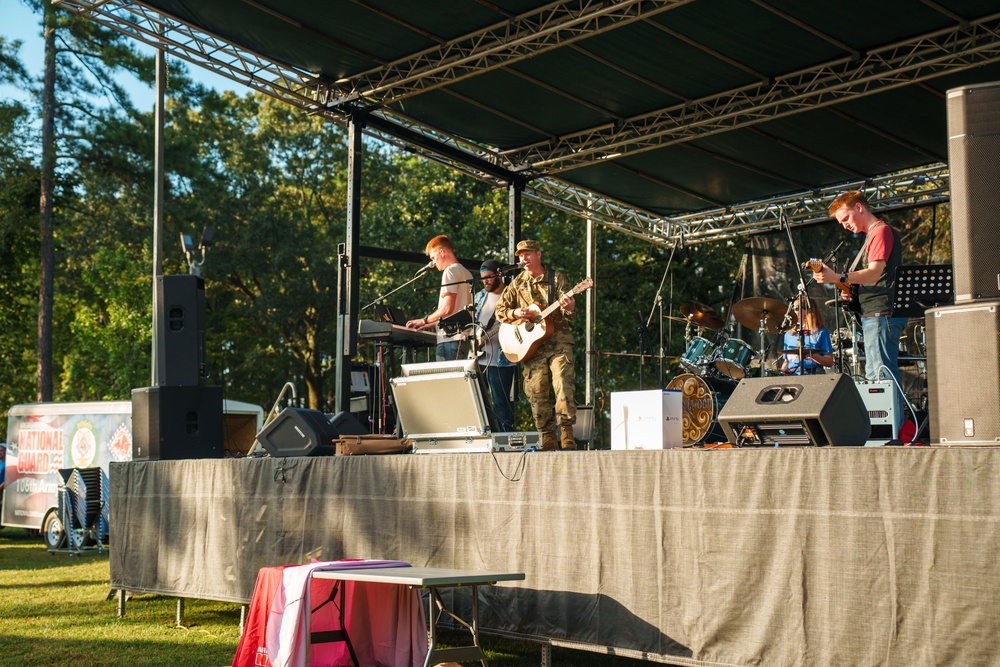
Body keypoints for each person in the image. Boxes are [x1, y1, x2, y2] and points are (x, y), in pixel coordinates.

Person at [813, 191, 907, 387]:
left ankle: (892, 418)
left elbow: (874, 272)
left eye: (846, 218)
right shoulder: (872, 236)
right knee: (875, 375)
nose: (845, 225)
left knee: (881, 376)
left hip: (881, 313)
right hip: (874, 314)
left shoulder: (880, 232)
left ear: (859, 207)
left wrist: (838, 277)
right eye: (841, 223)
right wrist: (851, 290)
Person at [495, 240, 577, 451]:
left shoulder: (556, 279)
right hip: (532, 346)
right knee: (536, 390)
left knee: (562, 382)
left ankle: (566, 431)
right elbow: (500, 310)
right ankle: (546, 435)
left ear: (538, 254)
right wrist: (515, 313)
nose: (524, 259)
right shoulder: (517, 283)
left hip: (558, 341)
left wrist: (570, 307)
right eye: (520, 255)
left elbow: (571, 316)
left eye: (528, 254)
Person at [405, 235, 474, 361]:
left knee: (445, 380)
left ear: (442, 252)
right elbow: (455, 312)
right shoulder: (466, 272)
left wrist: (423, 321)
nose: (433, 262)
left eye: (433, 257)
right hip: (462, 340)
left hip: (450, 340)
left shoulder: (450, 271)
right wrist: (431, 323)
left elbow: (448, 308)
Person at [473, 260, 517, 432]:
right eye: (483, 278)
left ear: (500, 274)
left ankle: (506, 440)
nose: (485, 282)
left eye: (489, 277)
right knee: (480, 403)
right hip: (479, 358)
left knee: (501, 403)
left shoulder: (512, 295)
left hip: (501, 359)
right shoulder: (479, 297)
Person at [780, 296, 834, 375]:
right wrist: (780, 372)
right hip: (793, 376)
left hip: (813, 374)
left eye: (796, 308)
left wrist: (811, 355)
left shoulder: (821, 332)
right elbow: (787, 361)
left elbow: (829, 361)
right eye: (793, 308)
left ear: (807, 310)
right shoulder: (788, 334)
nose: (793, 311)